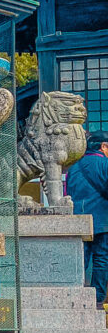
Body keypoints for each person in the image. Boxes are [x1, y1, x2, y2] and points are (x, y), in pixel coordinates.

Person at [65, 130, 108, 306]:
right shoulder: (104, 164)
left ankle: (77, 294)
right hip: (102, 221)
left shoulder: (73, 167)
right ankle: (97, 298)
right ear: (103, 146)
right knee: (101, 258)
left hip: (78, 221)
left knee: (80, 258)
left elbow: (67, 192)